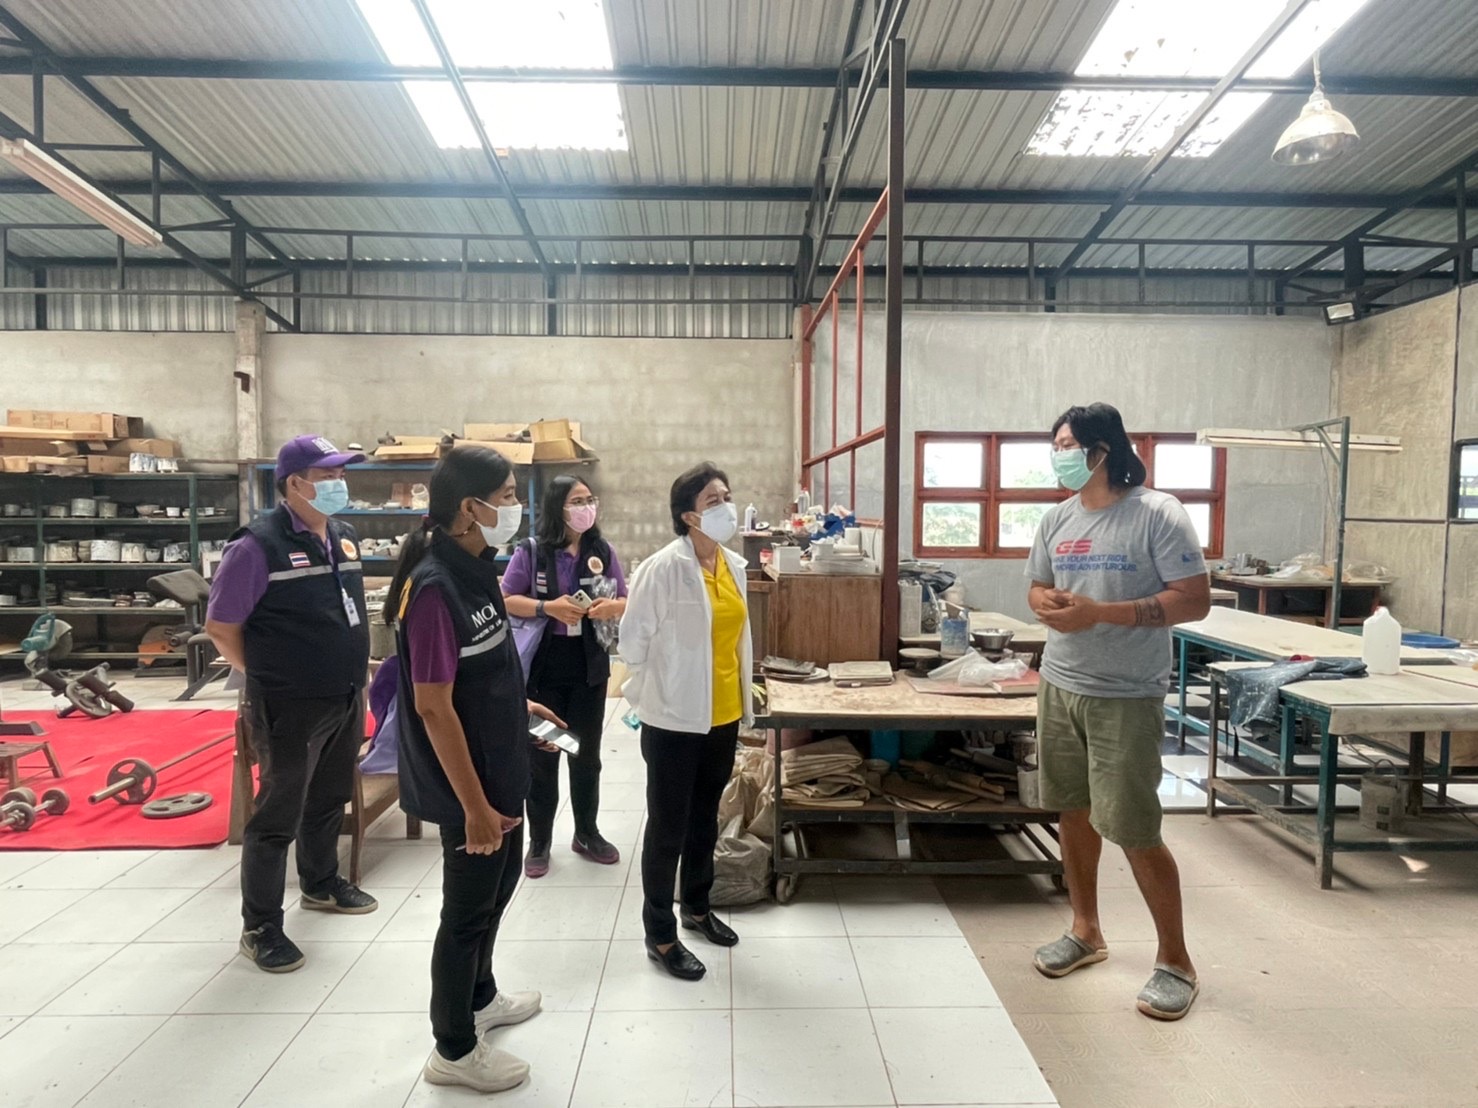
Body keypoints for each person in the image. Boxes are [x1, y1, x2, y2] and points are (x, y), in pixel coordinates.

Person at [1025, 402, 1211, 1021]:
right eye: (1056, 445)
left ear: (1102, 451)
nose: (1060, 455)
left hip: (1126, 693)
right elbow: (1036, 584)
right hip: (1060, 683)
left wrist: (1099, 614)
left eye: (1068, 445)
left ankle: (1176, 962)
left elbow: (1194, 600)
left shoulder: (1157, 513)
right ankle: (1085, 930)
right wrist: (1044, 603)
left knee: (1133, 827)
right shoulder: (1057, 518)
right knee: (1071, 811)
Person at [388, 445, 563, 1093]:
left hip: (500, 764)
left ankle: (481, 998)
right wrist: (473, 810)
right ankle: (454, 1048)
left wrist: (521, 708)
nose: (517, 507)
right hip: (471, 786)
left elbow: (482, 668)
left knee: (500, 887)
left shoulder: (476, 566)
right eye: (508, 495)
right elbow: (434, 706)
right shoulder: (434, 588)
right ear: (470, 507)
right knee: (465, 914)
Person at [205, 435, 378, 974]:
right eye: (328, 476)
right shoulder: (256, 546)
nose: (338, 484)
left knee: (328, 797)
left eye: (341, 475)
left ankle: (320, 883)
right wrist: (268, 675)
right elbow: (221, 626)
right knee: (277, 814)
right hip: (288, 703)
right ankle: (260, 926)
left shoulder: (343, 536)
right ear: (295, 484)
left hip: (343, 693)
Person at [619, 462, 752, 981]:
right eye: (713, 500)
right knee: (667, 827)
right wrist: (665, 683)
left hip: (723, 713)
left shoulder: (733, 565)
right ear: (689, 516)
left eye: (727, 496)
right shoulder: (662, 568)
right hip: (673, 718)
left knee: (704, 819)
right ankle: (660, 934)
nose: (726, 506)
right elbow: (632, 642)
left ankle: (697, 907)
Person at [501, 476, 628, 878]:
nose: (586, 507)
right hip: (545, 669)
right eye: (577, 501)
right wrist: (547, 608)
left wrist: (612, 607)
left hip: (589, 666)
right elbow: (506, 599)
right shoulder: (533, 552)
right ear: (558, 507)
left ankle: (586, 833)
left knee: (586, 755)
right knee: (545, 754)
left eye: (590, 499)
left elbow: (625, 598)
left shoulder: (601, 551)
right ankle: (539, 840)